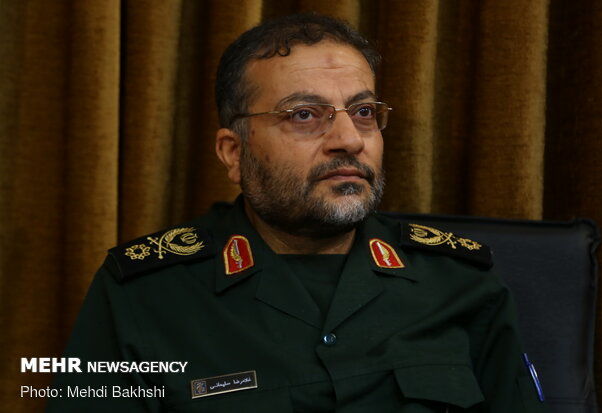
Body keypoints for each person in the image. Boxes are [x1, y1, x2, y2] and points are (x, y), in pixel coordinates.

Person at [47, 13, 547, 412]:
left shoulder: (459, 282)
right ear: (234, 152)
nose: (349, 139)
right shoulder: (143, 293)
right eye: (304, 115)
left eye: (364, 112)